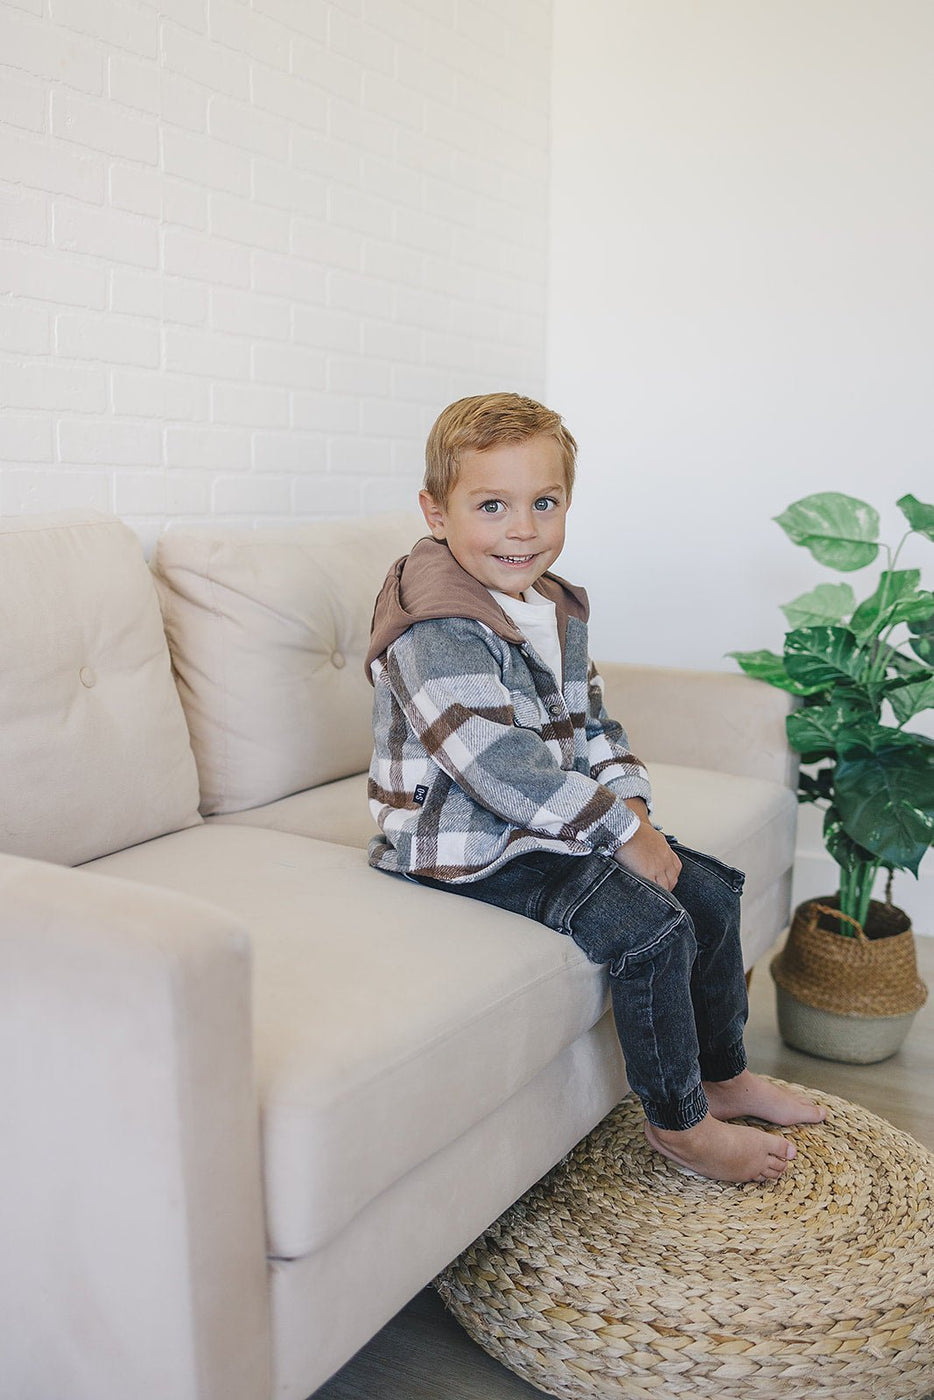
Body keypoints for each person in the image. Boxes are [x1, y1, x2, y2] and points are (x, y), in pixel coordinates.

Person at [365, 392, 825, 1183]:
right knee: (649, 928)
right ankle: (680, 1125)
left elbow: (592, 726)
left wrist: (631, 801)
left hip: (546, 819)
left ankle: (723, 1077)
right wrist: (618, 832)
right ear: (436, 513)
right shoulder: (434, 625)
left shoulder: (549, 604)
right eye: (492, 506)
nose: (523, 529)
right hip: (465, 839)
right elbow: (497, 767)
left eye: (544, 503)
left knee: (707, 895)